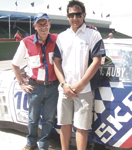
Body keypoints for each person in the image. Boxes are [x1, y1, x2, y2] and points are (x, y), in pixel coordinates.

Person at [53, 0, 106, 150]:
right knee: (64, 124)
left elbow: (97, 61)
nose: (75, 18)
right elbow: (56, 62)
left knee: (82, 127)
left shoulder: (93, 34)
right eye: (72, 15)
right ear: (67, 16)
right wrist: (64, 84)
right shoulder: (62, 37)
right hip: (65, 89)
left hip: (84, 89)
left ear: (84, 15)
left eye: (78, 14)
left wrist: (80, 84)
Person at [12, 12, 59, 150]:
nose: (43, 27)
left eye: (46, 24)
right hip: (35, 87)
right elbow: (15, 64)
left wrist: (89, 27)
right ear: (35, 26)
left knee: (49, 120)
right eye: (40, 24)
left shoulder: (58, 39)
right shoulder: (25, 42)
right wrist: (21, 83)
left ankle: (43, 145)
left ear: (49, 24)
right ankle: (31, 143)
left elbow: (74, 34)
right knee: (32, 119)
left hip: (52, 87)